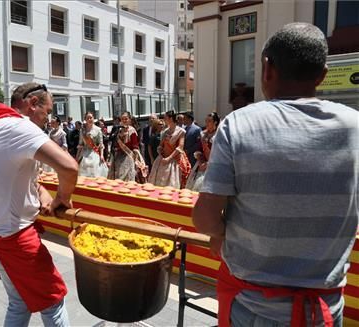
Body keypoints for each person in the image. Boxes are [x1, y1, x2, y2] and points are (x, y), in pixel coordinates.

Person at [192, 23, 358, 327]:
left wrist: (222, 236)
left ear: (266, 69)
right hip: (324, 311)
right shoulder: (355, 126)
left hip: (253, 311)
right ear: (322, 74)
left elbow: (204, 217)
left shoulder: (239, 125)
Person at [0, 82, 78, 327]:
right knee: (52, 301)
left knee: (19, 300)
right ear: (32, 104)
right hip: (11, 237)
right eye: (47, 112)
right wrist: (62, 198)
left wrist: (42, 193)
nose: (47, 119)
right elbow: (70, 167)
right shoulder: (21, 127)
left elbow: (13, 174)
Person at [148, 110, 191, 188]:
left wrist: (169, 158)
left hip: (175, 160)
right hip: (163, 158)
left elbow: (180, 147)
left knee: (172, 183)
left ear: (171, 119)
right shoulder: (165, 132)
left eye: (165, 118)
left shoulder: (180, 131)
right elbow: (161, 145)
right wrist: (160, 152)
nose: (164, 119)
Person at [185, 112, 220, 191]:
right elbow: (199, 149)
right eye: (206, 121)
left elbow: (219, 154)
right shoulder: (203, 134)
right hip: (201, 164)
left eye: (209, 121)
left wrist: (208, 163)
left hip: (214, 165)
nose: (206, 123)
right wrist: (200, 158)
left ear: (215, 122)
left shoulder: (219, 135)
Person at [107, 111, 144, 182]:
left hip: (128, 156)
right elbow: (114, 143)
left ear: (129, 120)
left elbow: (135, 146)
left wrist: (135, 158)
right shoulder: (118, 130)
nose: (124, 120)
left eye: (126, 119)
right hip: (118, 156)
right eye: (122, 119)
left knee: (127, 177)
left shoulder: (132, 130)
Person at [76, 112, 107, 178]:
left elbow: (101, 144)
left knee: (95, 170)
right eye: (88, 118)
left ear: (93, 118)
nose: (90, 119)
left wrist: (101, 155)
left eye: (91, 118)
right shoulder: (82, 130)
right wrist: (77, 156)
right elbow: (80, 144)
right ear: (85, 119)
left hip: (95, 153)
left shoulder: (98, 130)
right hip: (84, 153)